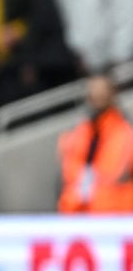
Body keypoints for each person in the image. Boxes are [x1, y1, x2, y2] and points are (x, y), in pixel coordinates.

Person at [57, 73, 133, 213]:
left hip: (116, 215)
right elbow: (70, 173)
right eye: (93, 91)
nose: (97, 95)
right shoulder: (80, 132)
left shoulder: (126, 134)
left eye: (101, 91)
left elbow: (115, 175)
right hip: (79, 212)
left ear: (112, 94)